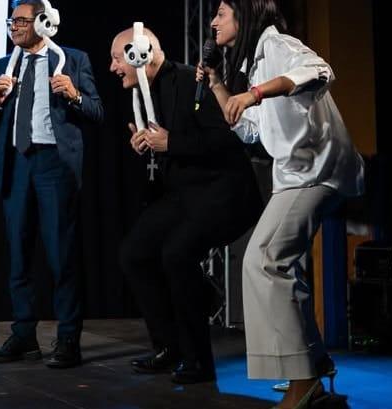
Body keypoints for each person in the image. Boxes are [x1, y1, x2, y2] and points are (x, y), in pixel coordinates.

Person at [198, 0, 364, 407]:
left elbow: (320, 70)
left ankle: (303, 380)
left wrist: (254, 93)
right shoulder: (256, 64)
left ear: (245, 13)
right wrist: (219, 85)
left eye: (221, 12)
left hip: (315, 171)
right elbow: (251, 130)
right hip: (298, 175)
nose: (213, 21)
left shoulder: (277, 45)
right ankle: (313, 363)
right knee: (279, 264)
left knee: (265, 261)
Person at [110, 27, 256, 383]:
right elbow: (167, 145)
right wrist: (147, 143)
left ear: (140, 53)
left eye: (117, 58)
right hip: (186, 194)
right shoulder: (144, 93)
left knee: (177, 254)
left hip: (224, 192)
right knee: (134, 254)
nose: (113, 67)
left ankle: (198, 362)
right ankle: (169, 347)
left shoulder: (194, 82)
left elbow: (228, 140)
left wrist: (171, 143)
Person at [0, 0, 103, 369]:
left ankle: (68, 339)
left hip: (54, 166)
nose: (14, 27)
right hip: (17, 164)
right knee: (19, 255)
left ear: (44, 22)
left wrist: (74, 94)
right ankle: (24, 335)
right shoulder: (2, 66)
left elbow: (97, 112)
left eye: (21, 21)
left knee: (62, 256)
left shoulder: (73, 60)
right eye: (11, 21)